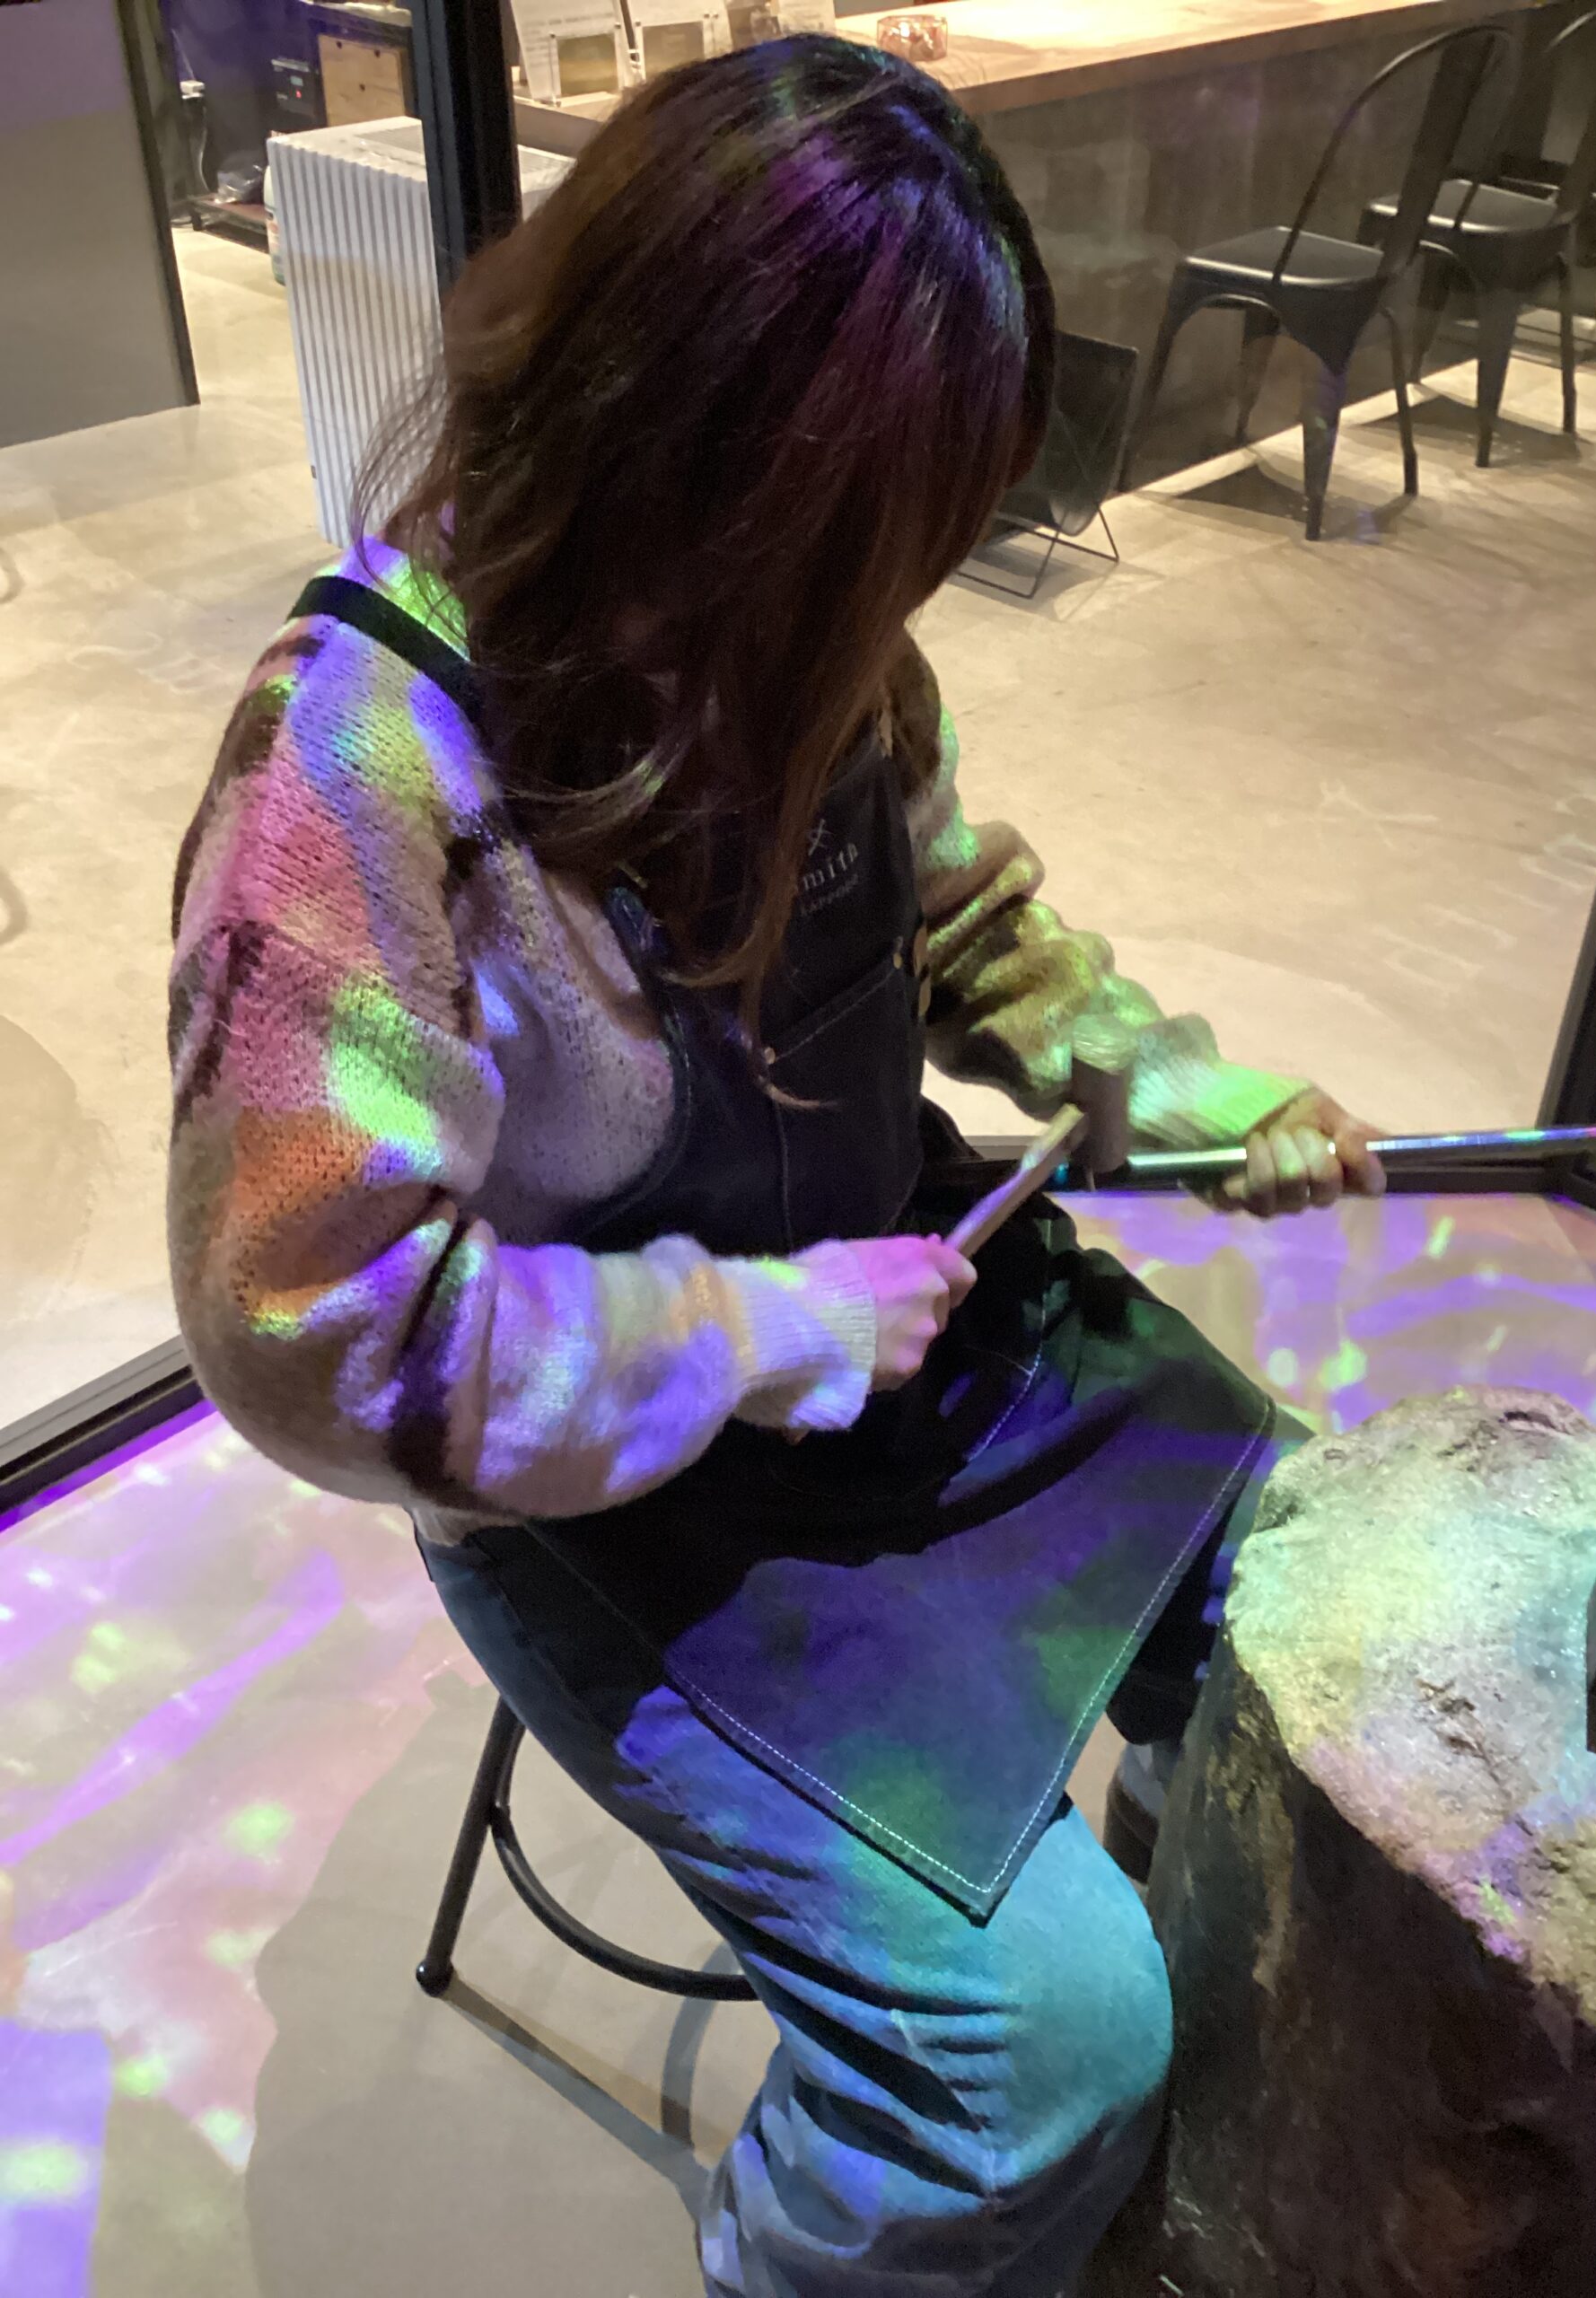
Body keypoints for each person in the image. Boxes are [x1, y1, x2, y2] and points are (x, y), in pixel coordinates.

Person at [167, 35, 1384, 2295]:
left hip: (899, 1305)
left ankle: (1145, 2122)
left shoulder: (813, 643)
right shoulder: (358, 766)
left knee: (1321, 1601)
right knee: (1037, 2051)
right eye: (872, 540)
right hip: (598, 1464)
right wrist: (760, 1330)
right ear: (700, 452)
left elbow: (963, 921)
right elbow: (322, 1336)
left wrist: (1184, 1095)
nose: (891, 613)